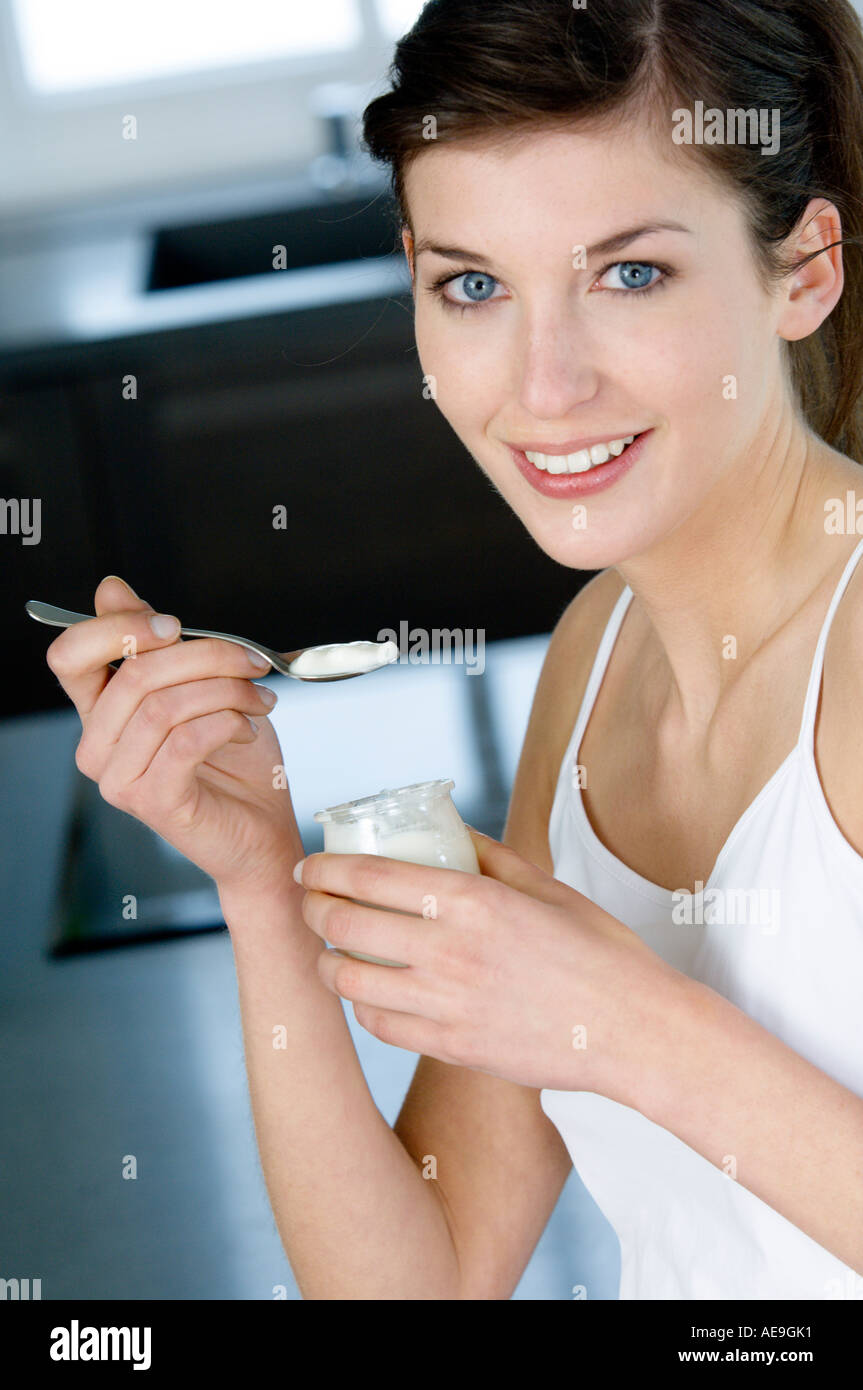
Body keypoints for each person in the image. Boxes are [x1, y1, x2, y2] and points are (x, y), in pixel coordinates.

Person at [44, 0, 863, 1299]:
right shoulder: (596, 665)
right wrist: (261, 874)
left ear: (804, 268)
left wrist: (618, 1021)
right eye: (473, 285)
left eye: (629, 273)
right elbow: (419, 1280)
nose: (541, 385)